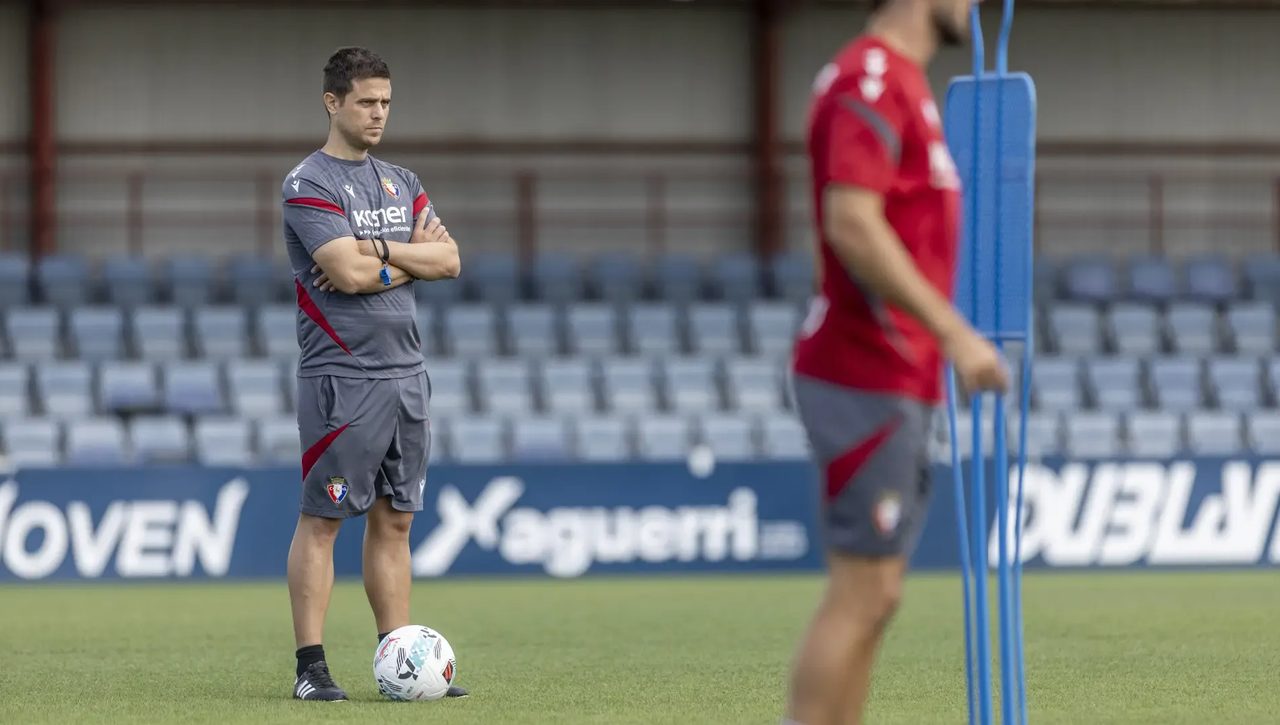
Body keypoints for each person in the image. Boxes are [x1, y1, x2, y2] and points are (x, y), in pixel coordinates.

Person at [783, 0, 1006, 723]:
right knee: (863, 592)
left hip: (894, 373)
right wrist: (956, 334)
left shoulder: (905, 84)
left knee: (878, 594)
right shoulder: (870, 77)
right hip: (861, 368)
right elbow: (851, 221)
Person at [280, 46, 465, 702]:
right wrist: (409, 258)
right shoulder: (308, 184)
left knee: (396, 520)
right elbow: (351, 276)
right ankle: (311, 666)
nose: (379, 113)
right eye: (366, 102)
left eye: (386, 102)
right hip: (342, 378)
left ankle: (401, 659)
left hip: (407, 375)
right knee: (324, 520)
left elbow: (450, 261)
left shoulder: (403, 181)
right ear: (333, 102)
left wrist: (381, 248)